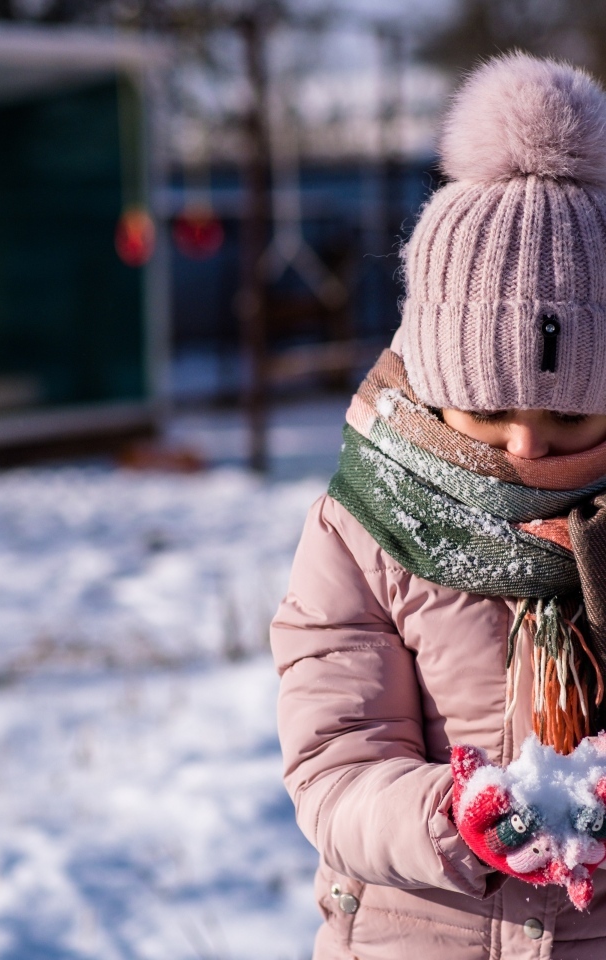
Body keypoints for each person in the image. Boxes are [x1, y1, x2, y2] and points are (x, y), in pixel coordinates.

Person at [270, 52, 606, 960]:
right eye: (490, 411)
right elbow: (334, 765)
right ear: (432, 377)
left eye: (569, 412)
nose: (528, 445)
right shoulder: (365, 528)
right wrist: (452, 820)